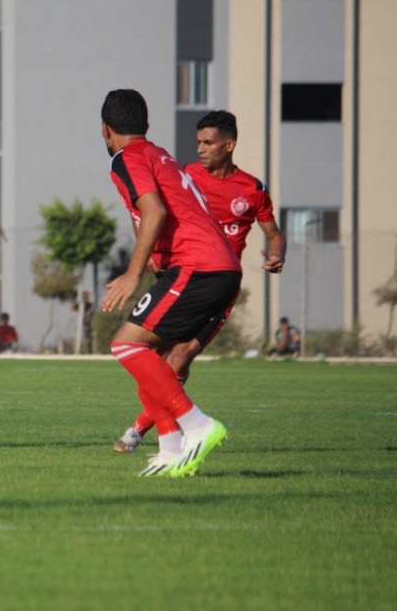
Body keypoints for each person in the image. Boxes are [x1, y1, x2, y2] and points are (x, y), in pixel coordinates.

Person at [113, 109, 287, 453]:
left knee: (179, 355)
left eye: (208, 142)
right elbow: (147, 211)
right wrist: (148, 253)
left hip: (216, 279)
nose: (201, 149)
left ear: (230, 144)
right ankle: (171, 441)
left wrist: (277, 253)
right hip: (181, 273)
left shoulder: (251, 189)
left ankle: (150, 432)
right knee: (150, 356)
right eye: (198, 142)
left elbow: (274, 234)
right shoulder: (185, 175)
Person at [100, 89, 242, 477]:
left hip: (198, 267)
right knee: (153, 358)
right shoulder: (159, 154)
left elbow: (154, 210)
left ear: (106, 129)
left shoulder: (126, 158)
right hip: (216, 267)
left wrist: (133, 273)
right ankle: (170, 448)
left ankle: (197, 424)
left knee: (126, 344)